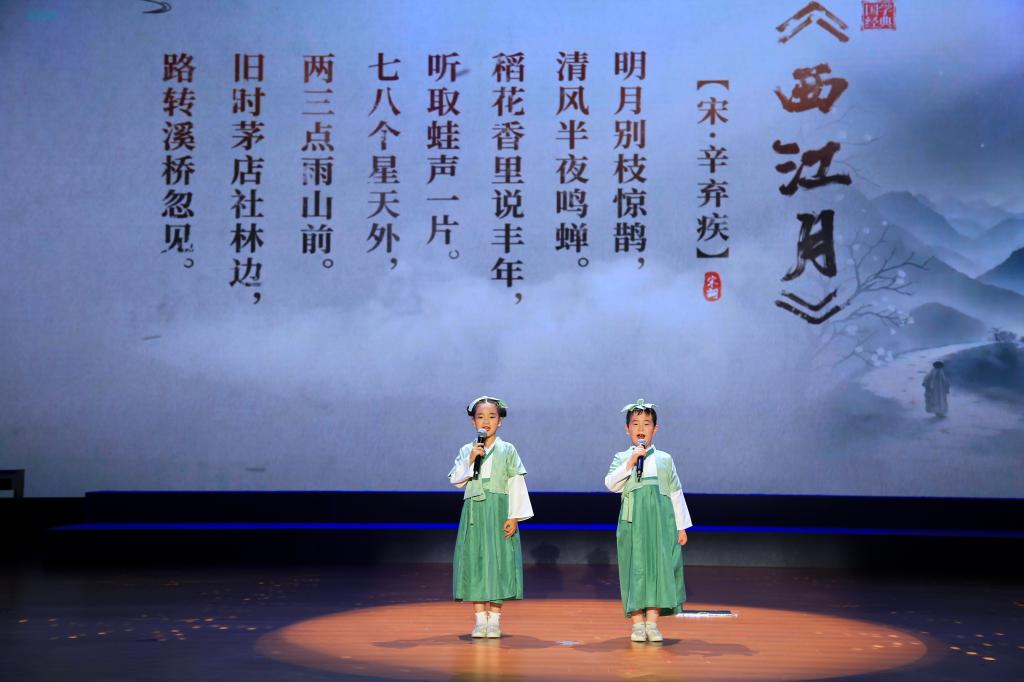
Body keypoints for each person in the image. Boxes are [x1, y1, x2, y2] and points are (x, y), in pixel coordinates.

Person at [605, 399, 692, 643]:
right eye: (635, 423)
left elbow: (675, 492)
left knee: (658, 568)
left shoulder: (664, 459)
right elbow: (611, 484)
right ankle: (637, 624)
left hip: (660, 522)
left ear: (655, 428)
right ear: (627, 429)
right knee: (635, 568)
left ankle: (652, 623)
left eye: (646, 423)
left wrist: (681, 526)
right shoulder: (623, 457)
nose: (641, 428)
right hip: (633, 522)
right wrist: (631, 462)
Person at [449, 396, 533, 638]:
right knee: (475, 559)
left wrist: (514, 516)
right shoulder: (467, 450)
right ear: (473, 422)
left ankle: (494, 619)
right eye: (480, 417)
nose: (486, 421)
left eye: (492, 416)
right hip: (474, 511)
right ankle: (479, 619)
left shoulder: (507, 450)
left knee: (499, 560)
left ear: (500, 421)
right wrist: (471, 459)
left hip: (499, 510)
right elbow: (456, 480)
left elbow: (516, 483)